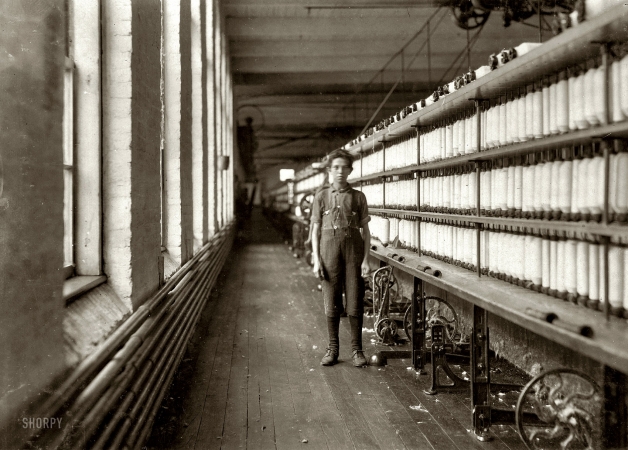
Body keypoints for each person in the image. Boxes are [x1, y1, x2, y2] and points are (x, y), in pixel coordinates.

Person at [310, 149, 371, 367]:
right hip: (329, 253)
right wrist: (317, 260)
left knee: (354, 302)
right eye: (335, 167)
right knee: (331, 302)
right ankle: (333, 349)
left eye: (344, 167)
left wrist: (366, 260)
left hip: (353, 254)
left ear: (350, 170)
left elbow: (366, 232)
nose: (339, 171)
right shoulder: (321, 197)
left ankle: (357, 351)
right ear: (329, 170)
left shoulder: (358, 197)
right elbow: (315, 231)